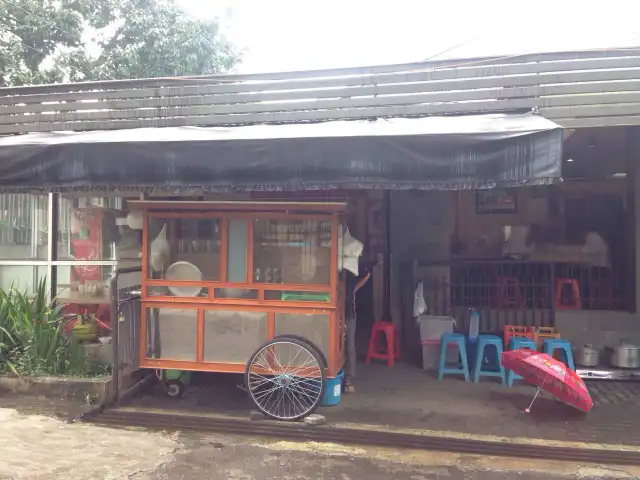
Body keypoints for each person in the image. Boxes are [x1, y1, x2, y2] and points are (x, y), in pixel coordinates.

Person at [344, 262, 371, 394]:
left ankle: (348, 379)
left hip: (348, 313)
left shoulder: (350, 269)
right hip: (335, 312)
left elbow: (366, 275)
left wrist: (354, 289)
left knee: (349, 346)